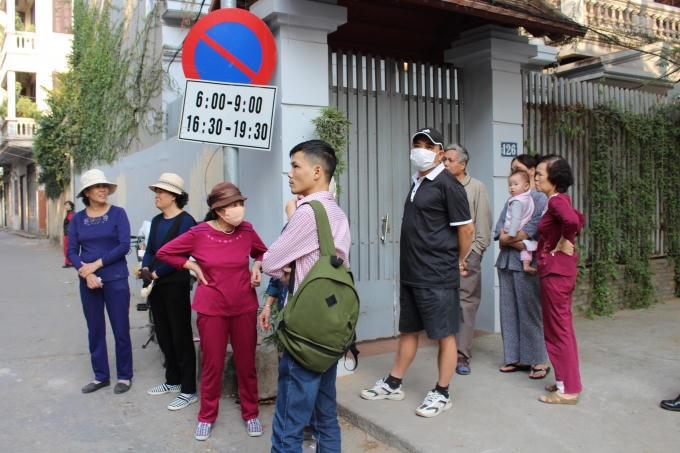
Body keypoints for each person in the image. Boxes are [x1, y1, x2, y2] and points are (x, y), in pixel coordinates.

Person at [361, 128, 473, 418]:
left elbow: (466, 230)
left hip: (437, 274)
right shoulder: (417, 182)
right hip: (412, 272)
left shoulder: (449, 185)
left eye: (428, 145)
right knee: (408, 330)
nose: (421, 149)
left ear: (439, 152)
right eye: (417, 144)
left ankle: (442, 392)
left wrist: (457, 260)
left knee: (444, 334)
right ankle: (393, 383)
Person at [260, 139, 351, 452]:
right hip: (331, 328)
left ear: (316, 171)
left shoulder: (307, 212)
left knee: (289, 424)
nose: (290, 173)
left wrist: (292, 218)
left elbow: (270, 262)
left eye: (295, 166)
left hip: (305, 332)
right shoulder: (337, 212)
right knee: (325, 417)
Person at [156, 182, 266, 441]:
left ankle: (251, 414)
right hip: (211, 309)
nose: (239, 209)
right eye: (233, 205)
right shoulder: (199, 233)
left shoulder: (247, 230)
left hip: (243, 306)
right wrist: (191, 266)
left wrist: (257, 266)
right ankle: (206, 416)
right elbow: (164, 252)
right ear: (219, 210)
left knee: (246, 364)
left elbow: (262, 252)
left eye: (240, 203)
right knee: (212, 366)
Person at [67, 169, 133, 394]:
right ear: (87, 192)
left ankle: (124, 376)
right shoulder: (78, 219)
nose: (102, 190)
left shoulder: (118, 214)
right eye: (97, 186)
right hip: (89, 281)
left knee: (120, 328)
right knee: (94, 329)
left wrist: (96, 265)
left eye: (104, 186)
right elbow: (72, 251)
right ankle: (101, 376)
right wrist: (87, 274)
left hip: (116, 278)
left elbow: (124, 245)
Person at [141, 173, 197, 411]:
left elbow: (182, 255)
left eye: (161, 191)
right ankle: (172, 380)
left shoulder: (186, 221)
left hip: (175, 283)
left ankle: (188, 389)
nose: (157, 195)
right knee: (163, 332)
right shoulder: (156, 221)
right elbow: (150, 250)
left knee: (180, 334)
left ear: (174, 196)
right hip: (155, 285)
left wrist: (156, 273)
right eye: (156, 191)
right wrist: (145, 269)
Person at [494, 154, 550, 379]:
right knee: (508, 310)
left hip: (528, 260)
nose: (513, 172)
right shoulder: (512, 198)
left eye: (518, 168)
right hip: (507, 260)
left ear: (532, 171)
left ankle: (539, 359)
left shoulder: (540, 198)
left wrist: (509, 239)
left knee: (529, 311)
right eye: (511, 168)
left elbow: (535, 227)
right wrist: (506, 239)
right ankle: (515, 358)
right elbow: (499, 228)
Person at [534, 155, 585, 405]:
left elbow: (573, 221)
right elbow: (579, 219)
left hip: (556, 272)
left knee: (558, 330)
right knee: (561, 328)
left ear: (554, 178)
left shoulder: (556, 201)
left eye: (540, 174)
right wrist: (568, 236)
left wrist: (566, 239)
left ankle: (568, 390)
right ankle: (566, 380)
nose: (535, 178)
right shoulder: (558, 200)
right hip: (559, 271)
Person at [442, 144, 492, 376]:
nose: (445, 163)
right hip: (442, 255)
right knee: (444, 301)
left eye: (450, 160)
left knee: (466, 304)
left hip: (467, 255)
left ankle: (462, 354)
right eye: (444, 159)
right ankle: (447, 348)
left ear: (463, 164)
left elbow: (483, 224)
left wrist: (474, 253)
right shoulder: (440, 185)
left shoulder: (476, 187)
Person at [502, 169, 537, 275]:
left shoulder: (516, 201)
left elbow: (515, 219)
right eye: (510, 185)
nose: (512, 187)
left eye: (515, 184)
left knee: (523, 246)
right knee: (526, 248)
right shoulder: (528, 198)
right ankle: (526, 265)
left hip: (513, 230)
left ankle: (526, 265)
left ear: (526, 186)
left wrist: (511, 234)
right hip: (523, 229)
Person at [62, 201, 75, 268]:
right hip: (67, 234)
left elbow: (72, 225)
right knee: (67, 248)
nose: (66, 206)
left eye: (67, 205)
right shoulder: (69, 213)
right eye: (65, 205)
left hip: (69, 234)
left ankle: (68, 263)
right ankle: (70, 262)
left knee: (67, 248)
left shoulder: (71, 214)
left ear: (71, 206)